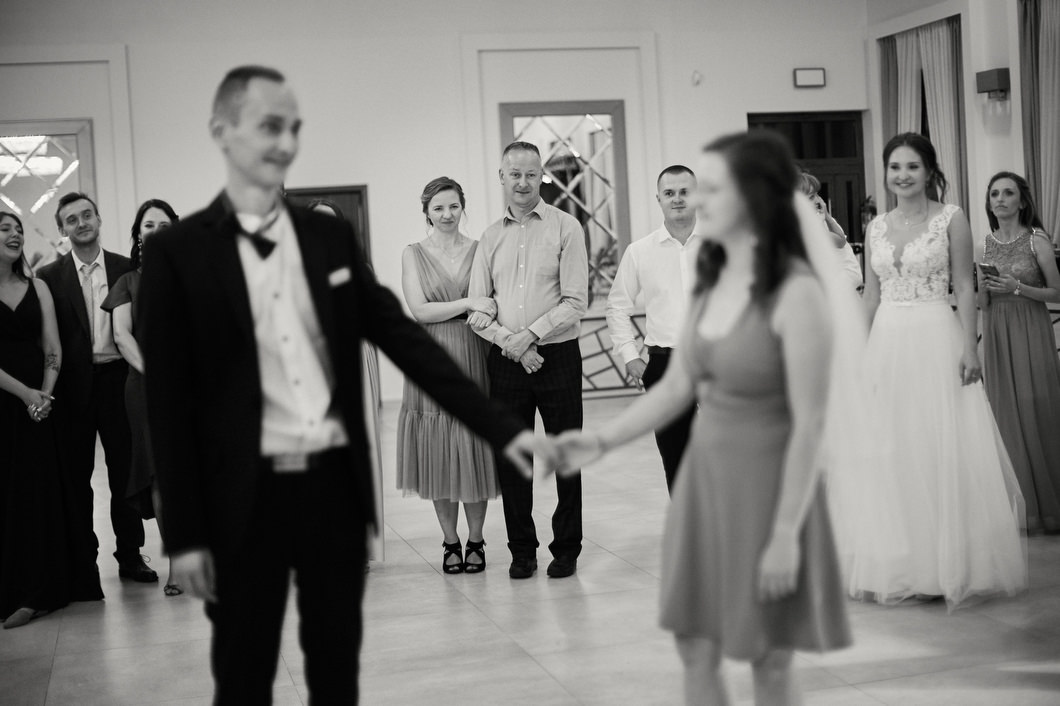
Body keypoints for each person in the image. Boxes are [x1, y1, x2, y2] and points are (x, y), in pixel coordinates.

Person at [138, 65, 547, 703]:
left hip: (330, 492)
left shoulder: (329, 236)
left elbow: (404, 338)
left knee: (335, 671)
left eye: (290, 127)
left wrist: (500, 427)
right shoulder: (177, 253)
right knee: (244, 671)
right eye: (265, 126)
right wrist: (185, 535)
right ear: (222, 132)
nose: (282, 141)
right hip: (238, 498)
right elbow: (168, 405)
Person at [554, 131, 852, 705]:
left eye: (715, 188)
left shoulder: (794, 291)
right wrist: (600, 441)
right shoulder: (714, 275)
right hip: (704, 482)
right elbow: (675, 387)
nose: (699, 200)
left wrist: (786, 534)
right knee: (695, 645)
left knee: (767, 655)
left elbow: (810, 424)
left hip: (766, 486)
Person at [836, 133, 1026, 606]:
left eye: (912, 167)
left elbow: (965, 286)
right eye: (894, 167)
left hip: (935, 336)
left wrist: (970, 347)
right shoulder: (876, 227)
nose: (902, 175)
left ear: (929, 172)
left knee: (938, 445)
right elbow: (871, 295)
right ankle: (902, 564)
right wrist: (856, 353)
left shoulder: (951, 218)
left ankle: (946, 566)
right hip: (887, 342)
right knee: (891, 449)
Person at [468, 140, 589, 580]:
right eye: (515, 174)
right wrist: (513, 343)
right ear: (502, 177)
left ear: (542, 177)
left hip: (558, 357)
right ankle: (522, 550)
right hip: (506, 361)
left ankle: (567, 548)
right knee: (515, 460)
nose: (523, 182)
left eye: (531, 174)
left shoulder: (566, 227)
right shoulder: (489, 237)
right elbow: (478, 309)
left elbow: (576, 301)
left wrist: (530, 336)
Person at [38, 192, 156, 599]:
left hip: (118, 380)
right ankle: (83, 561)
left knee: (126, 472)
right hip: (72, 386)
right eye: (71, 219)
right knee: (76, 476)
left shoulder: (126, 268)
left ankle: (131, 555)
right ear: (62, 229)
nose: (81, 223)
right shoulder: (49, 277)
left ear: (99, 219)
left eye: (87, 215)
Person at [397, 177, 499, 573]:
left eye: (453, 206)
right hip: (431, 355)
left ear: (463, 207)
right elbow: (420, 311)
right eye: (438, 208)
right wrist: (468, 302)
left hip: (475, 351)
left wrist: (482, 306)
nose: (446, 214)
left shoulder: (480, 248)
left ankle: (476, 539)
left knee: (473, 446)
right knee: (439, 448)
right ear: (426, 212)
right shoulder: (413, 254)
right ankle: (450, 541)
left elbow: (492, 301)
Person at [99, 198, 182, 596]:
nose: (157, 232)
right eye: (149, 226)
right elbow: (121, 335)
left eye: (165, 225)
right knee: (162, 476)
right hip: (146, 390)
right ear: (138, 236)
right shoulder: (127, 282)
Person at [605, 165, 700, 493]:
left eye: (684, 192)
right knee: (676, 456)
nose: (677, 199)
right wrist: (630, 356)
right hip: (665, 363)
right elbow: (617, 305)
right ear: (658, 199)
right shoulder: (640, 251)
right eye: (669, 193)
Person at [0, 212, 73, 628]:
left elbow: (53, 347)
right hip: (8, 401)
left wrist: (44, 394)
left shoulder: (38, 287)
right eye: (5, 229)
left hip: (39, 407)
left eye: (18, 229)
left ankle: (40, 591)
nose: (15, 234)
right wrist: (26, 394)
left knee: (36, 494)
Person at [979, 172, 1060, 534]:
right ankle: (1017, 508)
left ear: (1022, 201)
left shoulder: (1036, 240)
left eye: (1008, 193)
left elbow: (1057, 292)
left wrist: (1017, 288)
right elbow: (982, 304)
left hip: (1030, 327)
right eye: (995, 193)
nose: (1000, 199)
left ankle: (1048, 505)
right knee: (1005, 413)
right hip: (997, 330)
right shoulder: (983, 245)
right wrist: (983, 286)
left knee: (1036, 406)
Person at [796, 170, 863, 291]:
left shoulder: (822, 221)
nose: (818, 200)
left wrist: (827, 217)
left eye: (817, 194)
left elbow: (841, 242)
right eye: (811, 197)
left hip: (844, 283)